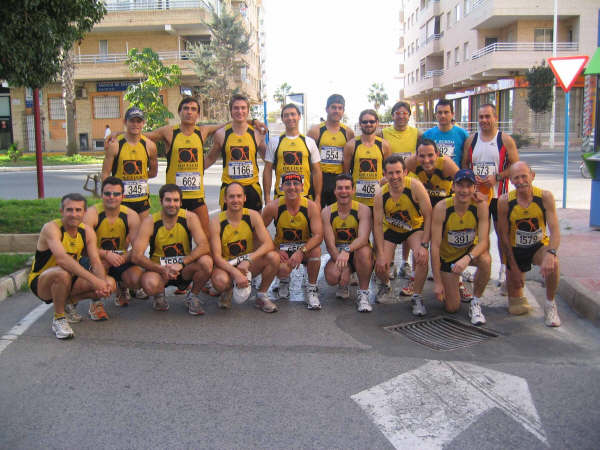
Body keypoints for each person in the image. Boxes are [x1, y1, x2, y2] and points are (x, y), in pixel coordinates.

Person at [28, 193, 116, 339]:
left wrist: (102, 284)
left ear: (84, 212)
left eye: (78, 210)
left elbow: (95, 261)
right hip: (42, 281)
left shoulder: (87, 231)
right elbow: (62, 259)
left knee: (110, 283)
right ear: (61, 211)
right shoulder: (51, 228)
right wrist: (95, 281)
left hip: (69, 279)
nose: (73, 214)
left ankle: (67, 303)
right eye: (69, 210)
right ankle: (59, 319)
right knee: (61, 273)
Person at [131, 184, 213, 315]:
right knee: (149, 282)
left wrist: (181, 264)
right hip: (159, 270)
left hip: (183, 268)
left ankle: (193, 296)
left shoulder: (190, 217)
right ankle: (159, 295)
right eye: (168, 200)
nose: (172, 204)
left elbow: (204, 246)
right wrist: (161, 269)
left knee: (206, 262)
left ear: (181, 202)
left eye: (175, 200)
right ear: (161, 201)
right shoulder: (150, 221)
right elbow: (136, 255)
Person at [497, 162, 561, 327]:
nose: (521, 181)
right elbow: (503, 237)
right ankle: (510, 282)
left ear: (532, 176)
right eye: (516, 178)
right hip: (516, 250)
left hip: (538, 246)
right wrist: (512, 267)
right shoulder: (504, 201)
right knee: (517, 309)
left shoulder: (545, 197)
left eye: (524, 176)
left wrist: (551, 253)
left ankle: (550, 303)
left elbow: (555, 230)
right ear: (511, 181)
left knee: (554, 263)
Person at [462, 103, 519, 287]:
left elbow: (516, 168)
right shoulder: (472, 140)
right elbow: (464, 166)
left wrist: (497, 177)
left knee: (502, 234)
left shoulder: (505, 140)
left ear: (495, 118)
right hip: (476, 196)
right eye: (481, 117)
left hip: (498, 197)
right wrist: (472, 176)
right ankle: (474, 268)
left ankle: (504, 269)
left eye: (488, 116)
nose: (484, 120)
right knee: (475, 234)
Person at [404, 138, 468, 298]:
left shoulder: (446, 164)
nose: (426, 160)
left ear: (437, 154)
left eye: (430, 155)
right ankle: (414, 277)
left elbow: (463, 181)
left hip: (445, 207)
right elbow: (397, 176)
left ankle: (458, 280)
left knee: (450, 244)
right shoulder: (410, 163)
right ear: (416, 155)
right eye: (422, 156)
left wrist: (475, 195)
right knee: (419, 244)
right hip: (424, 208)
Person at [373, 155, 432, 316]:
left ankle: (417, 296)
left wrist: (425, 245)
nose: (394, 177)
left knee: (421, 258)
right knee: (378, 261)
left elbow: (429, 216)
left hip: (413, 228)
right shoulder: (380, 194)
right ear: (384, 174)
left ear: (405, 172)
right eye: (390, 173)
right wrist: (379, 254)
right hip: (391, 229)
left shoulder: (415, 187)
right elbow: (377, 225)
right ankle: (385, 285)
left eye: (398, 172)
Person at [431, 169, 491, 325]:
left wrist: (467, 258)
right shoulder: (441, 208)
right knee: (452, 307)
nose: (464, 190)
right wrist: (437, 282)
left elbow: (484, 241)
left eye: (468, 186)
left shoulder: (481, 206)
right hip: (448, 258)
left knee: (485, 259)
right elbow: (435, 246)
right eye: (460, 185)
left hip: (468, 253)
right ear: (453, 187)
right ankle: (453, 281)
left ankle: (475, 302)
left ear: (474, 188)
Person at [208, 183, 280, 312]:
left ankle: (261, 295)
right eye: (231, 197)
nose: (235, 200)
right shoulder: (216, 221)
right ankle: (227, 290)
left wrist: (249, 260)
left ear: (244, 198)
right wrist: (235, 273)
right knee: (220, 281)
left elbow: (268, 243)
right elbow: (217, 258)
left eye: (238, 196)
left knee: (273, 257)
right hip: (227, 264)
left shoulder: (253, 215)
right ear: (225, 199)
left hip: (246, 263)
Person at [262, 172, 324, 310]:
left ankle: (311, 289)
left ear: (302, 187)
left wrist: (301, 252)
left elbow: (319, 235)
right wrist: (274, 249)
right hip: (283, 250)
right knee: (282, 269)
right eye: (287, 184)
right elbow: (258, 231)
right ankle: (283, 280)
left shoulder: (311, 206)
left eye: (296, 184)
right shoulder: (273, 206)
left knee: (316, 250)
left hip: (303, 248)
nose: (292, 187)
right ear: (281, 187)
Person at [83, 176, 143, 308]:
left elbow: (138, 249)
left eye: (116, 194)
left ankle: (122, 285)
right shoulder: (91, 214)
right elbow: (84, 248)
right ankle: (95, 304)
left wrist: (124, 257)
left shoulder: (131, 216)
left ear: (123, 196)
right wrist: (105, 254)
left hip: (119, 257)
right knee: (102, 267)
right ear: (102, 194)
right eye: (107, 193)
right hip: (96, 259)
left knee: (137, 279)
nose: (111, 197)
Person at [205, 94, 267, 212]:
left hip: (252, 188)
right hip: (230, 188)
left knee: (254, 226)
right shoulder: (221, 134)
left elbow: (268, 159)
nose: (240, 111)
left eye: (243, 108)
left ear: (248, 110)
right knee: (229, 227)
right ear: (231, 111)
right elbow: (210, 158)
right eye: (236, 108)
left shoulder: (256, 133)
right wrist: (194, 170)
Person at [381, 101, 422, 279]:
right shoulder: (383, 133)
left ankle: (405, 262)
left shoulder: (417, 133)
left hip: (411, 185)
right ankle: (389, 263)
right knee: (392, 221)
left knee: (408, 223)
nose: (401, 116)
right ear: (393, 115)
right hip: (390, 183)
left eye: (404, 113)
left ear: (409, 115)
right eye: (397, 113)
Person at [321, 174, 373, 312]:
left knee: (364, 251)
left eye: (347, 188)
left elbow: (363, 238)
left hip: (357, 253)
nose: (343, 191)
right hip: (339, 256)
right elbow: (330, 244)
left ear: (353, 190)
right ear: (335, 191)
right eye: (340, 188)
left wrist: (347, 250)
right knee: (331, 277)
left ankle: (363, 294)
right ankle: (345, 280)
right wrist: (343, 267)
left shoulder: (363, 209)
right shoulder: (326, 212)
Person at [101, 107, 159, 219]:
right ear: (125, 122)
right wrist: (107, 194)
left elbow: (153, 172)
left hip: (141, 200)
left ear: (143, 123)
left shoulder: (150, 145)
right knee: (122, 234)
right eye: (132, 121)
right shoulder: (115, 145)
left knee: (141, 233)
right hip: (120, 199)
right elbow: (105, 173)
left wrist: (138, 178)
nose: (135, 124)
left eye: (138, 121)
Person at [263, 104, 323, 206]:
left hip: (305, 197)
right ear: (282, 118)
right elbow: (267, 170)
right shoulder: (274, 142)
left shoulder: (309, 142)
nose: (290, 118)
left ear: (299, 116)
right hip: (281, 198)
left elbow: (317, 171)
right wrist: (267, 198)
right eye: (286, 115)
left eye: (293, 114)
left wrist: (317, 198)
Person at [307, 94, 355, 208]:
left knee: (337, 214)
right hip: (319, 178)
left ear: (343, 111)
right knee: (316, 212)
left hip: (338, 179)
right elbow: (307, 156)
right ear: (327, 109)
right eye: (333, 107)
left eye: (340, 108)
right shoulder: (316, 130)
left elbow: (351, 157)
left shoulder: (348, 132)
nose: (336, 111)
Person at [343, 109, 391, 210]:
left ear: (377, 123)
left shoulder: (384, 145)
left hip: (378, 198)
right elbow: (346, 173)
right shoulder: (351, 145)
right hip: (357, 200)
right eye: (364, 122)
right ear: (360, 123)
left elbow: (388, 172)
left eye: (372, 121)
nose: (368, 124)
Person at [423, 99, 469, 167]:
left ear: (452, 114)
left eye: (446, 112)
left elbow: (466, 160)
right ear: (436, 115)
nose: (443, 116)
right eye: (440, 112)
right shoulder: (427, 135)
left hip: (455, 176)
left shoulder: (463, 134)